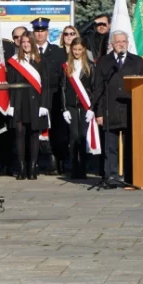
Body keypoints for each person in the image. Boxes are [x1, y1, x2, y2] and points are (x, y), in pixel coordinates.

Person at [93, 31, 143, 185]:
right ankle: (112, 177)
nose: (121, 44)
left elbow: (142, 87)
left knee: (131, 147)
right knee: (111, 147)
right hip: (111, 110)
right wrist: (99, 113)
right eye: (118, 42)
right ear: (112, 44)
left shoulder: (136, 61)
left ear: (128, 43)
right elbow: (98, 89)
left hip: (130, 110)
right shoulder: (104, 62)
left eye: (123, 41)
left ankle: (131, 177)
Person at [6, 32, 51, 180]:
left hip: (36, 102)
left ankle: (32, 167)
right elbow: (10, 84)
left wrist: (44, 104)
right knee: (19, 133)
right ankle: (21, 167)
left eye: (28, 42)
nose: (25, 44)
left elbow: (46, 84)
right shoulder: (13, 61)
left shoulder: (41, 60)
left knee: (33, 133)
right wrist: (10, 104)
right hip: (19, 101)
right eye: (23, 42)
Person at [31, 17, 66, 174]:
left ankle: (58, 161)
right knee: (35, 130)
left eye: (43, 31)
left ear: (47, 32)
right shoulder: (28, 52)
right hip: (34, 97)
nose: (40, 35)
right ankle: (36, 162)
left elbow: (63, 76)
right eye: (37, 31)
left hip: (54, 96)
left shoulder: (58, 52)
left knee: (57, 130)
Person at [61, 37, 97, 179]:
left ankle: (83, 168)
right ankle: (74, 168)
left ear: (84, 50)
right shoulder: (66, 66)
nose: (76, 52)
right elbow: (63, 88)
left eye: (79, 50)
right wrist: (64, 109)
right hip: (71, 106)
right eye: (74, 49)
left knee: (83, 137)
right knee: (73, 137)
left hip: (85, 105)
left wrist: (92, 108)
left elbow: (94, 88)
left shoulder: (90, 66)